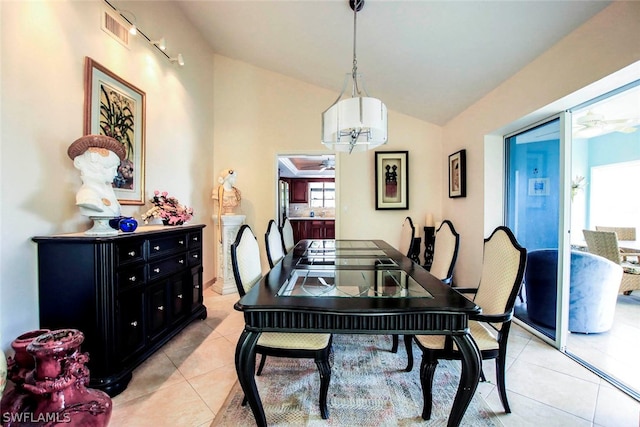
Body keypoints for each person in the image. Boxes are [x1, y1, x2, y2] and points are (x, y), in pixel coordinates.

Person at [67, 134, 126, 218]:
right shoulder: (87, 196)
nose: (115, 174)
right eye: (112, 169)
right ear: (94, 168)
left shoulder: (109, 192)